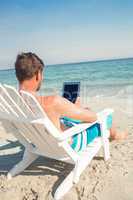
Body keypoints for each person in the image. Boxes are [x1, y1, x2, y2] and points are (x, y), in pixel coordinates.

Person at [15, 52, 127, 141]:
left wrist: (70, 108)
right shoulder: (52, 102)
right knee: (106, 118)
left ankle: (114, 134)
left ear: (17, 75)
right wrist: (78, 109)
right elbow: (93, 117)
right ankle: (117, 135)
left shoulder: (12, 101)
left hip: (40, 142)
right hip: (66, 144)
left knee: (75, 114)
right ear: (38, 75)